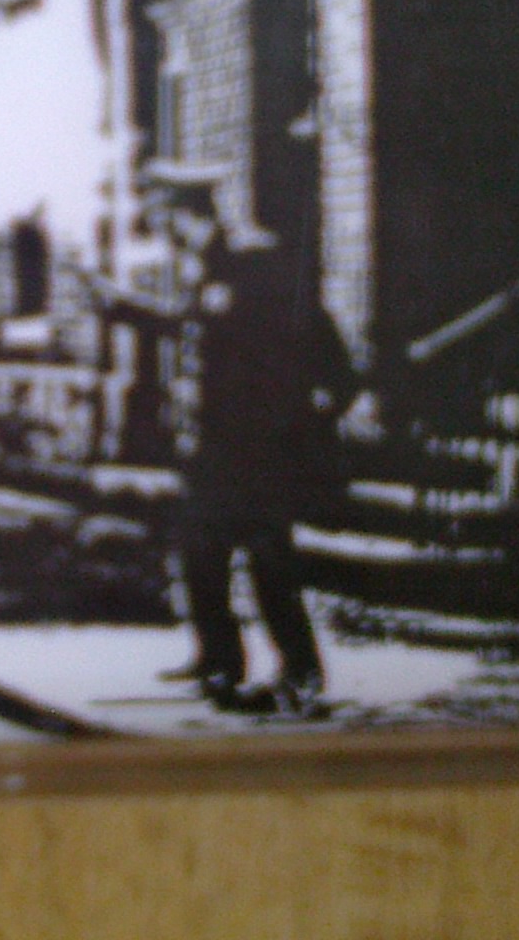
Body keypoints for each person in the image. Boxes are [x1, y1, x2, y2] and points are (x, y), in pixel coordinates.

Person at [170, 225, 361, 718]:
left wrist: (309, 421)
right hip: (219, 458)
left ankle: (300, 669)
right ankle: (221, 662)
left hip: (265, 461)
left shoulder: (297, 316)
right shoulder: (223, 311)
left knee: (269, 565)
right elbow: (198, 368)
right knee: (203, 559)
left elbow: (343, 379)